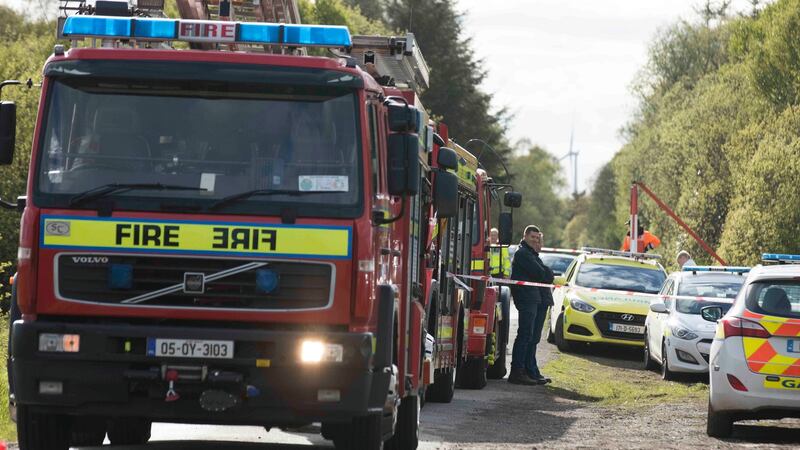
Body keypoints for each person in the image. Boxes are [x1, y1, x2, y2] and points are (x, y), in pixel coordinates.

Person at [508, 225, 554, 386]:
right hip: (527, 298)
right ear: (525, 236)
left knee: (532, 337)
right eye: (532, 237)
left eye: (537, 238)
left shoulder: (532, 254)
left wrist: (546, 272)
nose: (535, 240)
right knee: (525, 335)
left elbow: (545, 274)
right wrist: (547, 272)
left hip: (534, 298)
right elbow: (544, 274)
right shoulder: (523, 254)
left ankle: (529, 370)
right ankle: (517, 372)